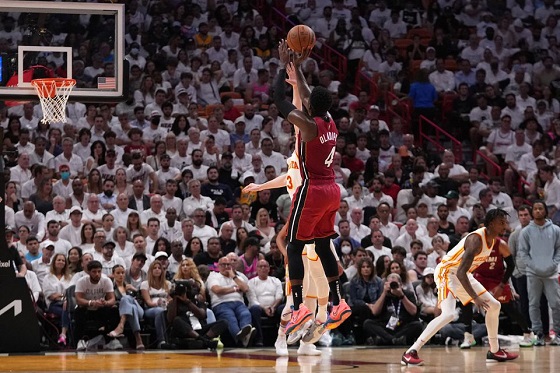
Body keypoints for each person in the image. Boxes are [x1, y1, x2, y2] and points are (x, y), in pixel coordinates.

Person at [273, 40, 349, 335]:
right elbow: (307, 94)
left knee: (294, 245)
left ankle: (298, 309)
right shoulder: (329, 120)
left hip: (314, 188)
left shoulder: (308, 125)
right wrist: (298, 66)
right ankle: (338, 302)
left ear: (309, 107)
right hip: (333, 189)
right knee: (321, 243)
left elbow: (281, 100)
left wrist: (283, 67)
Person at [402, 209, 519, 365]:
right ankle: (411, 351)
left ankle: (494, 351)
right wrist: (475, 297)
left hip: (463, 274)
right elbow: (461, 272)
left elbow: (465, 272)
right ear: (491, 223)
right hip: (447, 273)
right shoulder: (476, 239)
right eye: (501, 222)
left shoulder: (494, 240)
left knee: (494, 305)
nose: (505, 225)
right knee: (449, 314)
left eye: (506, 222)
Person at [518, 201, 560, 346]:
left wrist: (554, 263)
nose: (537, 211)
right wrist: (533, 265)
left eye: (540, 208)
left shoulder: (555, 230)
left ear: (545, 211)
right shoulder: (526, 232)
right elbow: (522, 253)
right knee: (533, 304)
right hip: (533, 274)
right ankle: (539, 334)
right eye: (535, 209)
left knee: (556, 304)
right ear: (532, 212)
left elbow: (559, 249)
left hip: (552, 273)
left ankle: (557, 334)